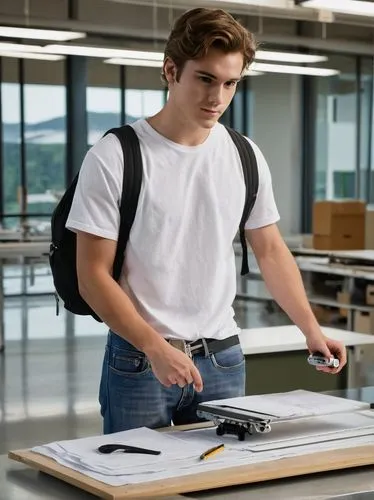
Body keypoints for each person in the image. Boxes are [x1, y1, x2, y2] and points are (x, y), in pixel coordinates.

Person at [66, 7, 347, 434]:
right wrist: (156, 348)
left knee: (221, 487)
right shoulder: (115, 156)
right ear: (171, 70)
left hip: (223, 359)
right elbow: (92, 276)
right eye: (205, 79)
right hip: (140, 361)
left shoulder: (244, 155)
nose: (218, 97)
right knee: (139, 484)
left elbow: (270, 251)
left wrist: (311, 329)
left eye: (230, 83)